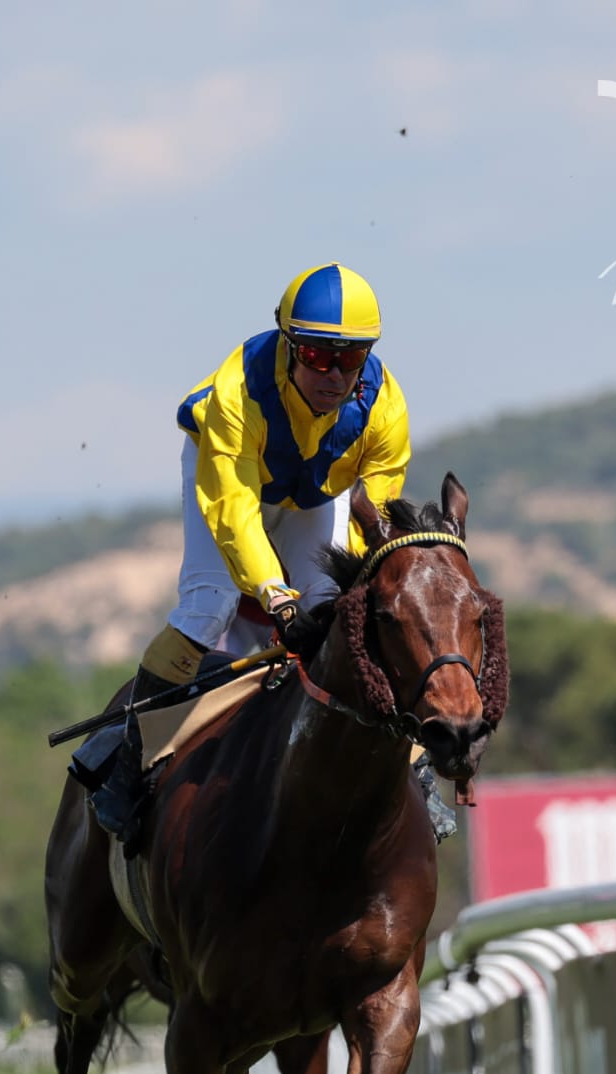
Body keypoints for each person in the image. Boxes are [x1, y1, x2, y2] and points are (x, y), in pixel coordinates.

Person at [82, 262, 414, 840]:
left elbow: (376, 513)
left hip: (313, 490)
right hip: (230, 481)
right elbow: (235, 510)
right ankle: (129, 762)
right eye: (316, 355)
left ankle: (409, 772)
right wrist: (272, 593)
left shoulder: (385, 406)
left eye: (351, 357)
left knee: (342, 613)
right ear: (289, 345)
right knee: (209, 607)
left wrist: (351, 587)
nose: (334, 374)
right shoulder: (241, 392)